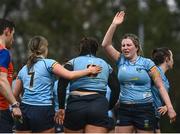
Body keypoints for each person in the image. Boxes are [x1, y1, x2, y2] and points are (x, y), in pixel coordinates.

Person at [101, 11, 176, 133]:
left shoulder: (147, 63)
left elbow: (160, 86)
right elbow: (105, 44)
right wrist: (114, 24)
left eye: (128, 45)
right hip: (124, 109)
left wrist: (170, 107)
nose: (125, 47)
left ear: (136, 47)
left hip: (144, 109)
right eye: (123, 45)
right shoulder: (120, 60)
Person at [13, 35, 101, 133]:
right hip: (43, 109)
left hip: (25, 109)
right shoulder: (49, 63)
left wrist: (22, 106)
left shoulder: (24, 68)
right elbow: (69, 75)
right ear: (45, 48)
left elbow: (15, 94)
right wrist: (88, 70)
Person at [55, 37, 120, 133]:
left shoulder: (72, 62)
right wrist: (108, 106)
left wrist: (61, 107)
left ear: (81, 48)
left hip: (76, 104)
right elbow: (116, 88)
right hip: (98, 105)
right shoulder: (105, 64)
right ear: (96, 50)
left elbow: (61, 85)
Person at [0, 18, 22, 133]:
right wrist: (14, 105)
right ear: (7, 31)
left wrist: (10, 77)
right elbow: (1, 81)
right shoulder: (3, 52)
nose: (13, 39)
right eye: (13, 35)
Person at [151, 47, 174, 132]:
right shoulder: (153, 72)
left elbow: (162, 96)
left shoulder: (165, 78)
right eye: (172, 57)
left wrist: (166, 106)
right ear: (167, 59)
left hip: (156, 117)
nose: (173, 60)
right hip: (147, 115)